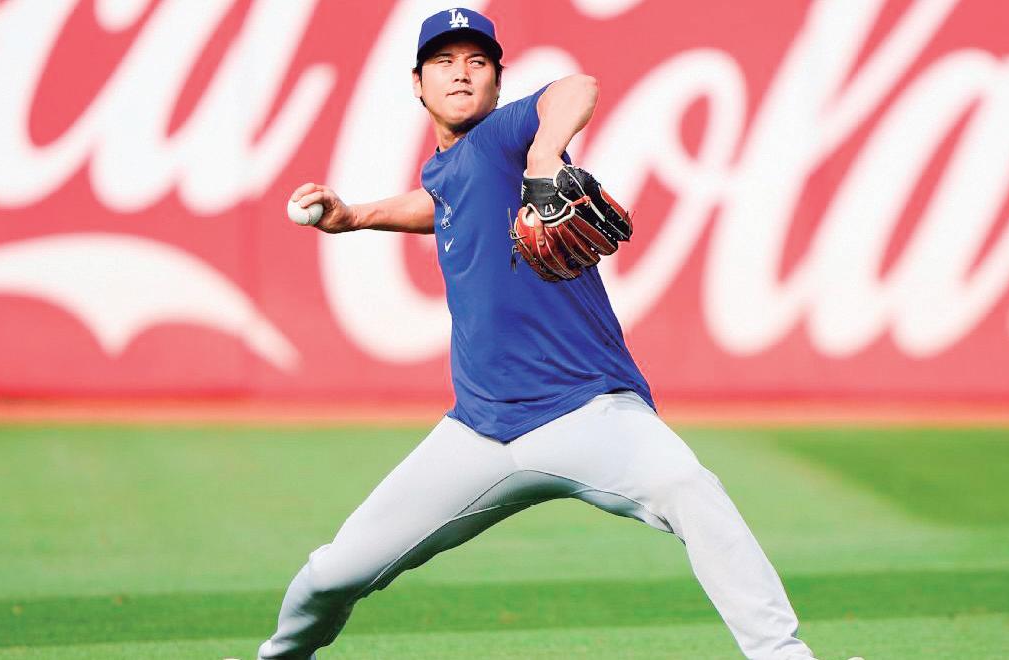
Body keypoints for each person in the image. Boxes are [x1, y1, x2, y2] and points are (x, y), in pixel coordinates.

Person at [261, 8, 817, 660]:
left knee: (690, 490)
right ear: (417, 84)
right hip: (478, 432)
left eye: (477, 62)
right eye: (443, 62)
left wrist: (545, 151)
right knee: (334, 571)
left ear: (498, 83)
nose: (461, 73)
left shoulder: (505, 137)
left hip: (589, 413)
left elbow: (575, 87)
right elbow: (439, 201)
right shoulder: (448, 168)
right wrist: (357, 215)